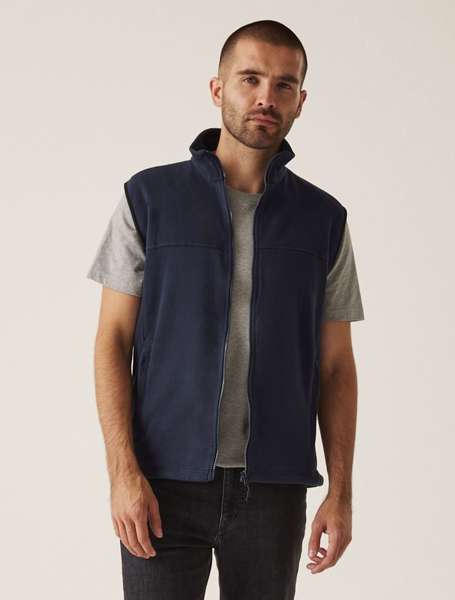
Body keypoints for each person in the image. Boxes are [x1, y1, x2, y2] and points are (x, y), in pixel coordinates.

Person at [87, 19, 364, 600]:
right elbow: (112, 339)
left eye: (284, 85)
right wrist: (122, 472)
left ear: (300, 102)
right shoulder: (149, 199)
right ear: (218, 89)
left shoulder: (323, 220)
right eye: (250, 79)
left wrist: (340, 492)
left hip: (274, 489)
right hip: (161, 485)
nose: (266, 97)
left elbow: (336, 365)